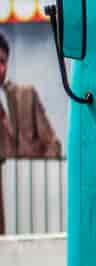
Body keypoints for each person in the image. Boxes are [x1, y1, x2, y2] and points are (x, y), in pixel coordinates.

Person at [0, 30, 62, 235]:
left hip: (34, 206)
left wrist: (35, 172)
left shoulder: (26, 96)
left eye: (2, 61)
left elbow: (53, 144)